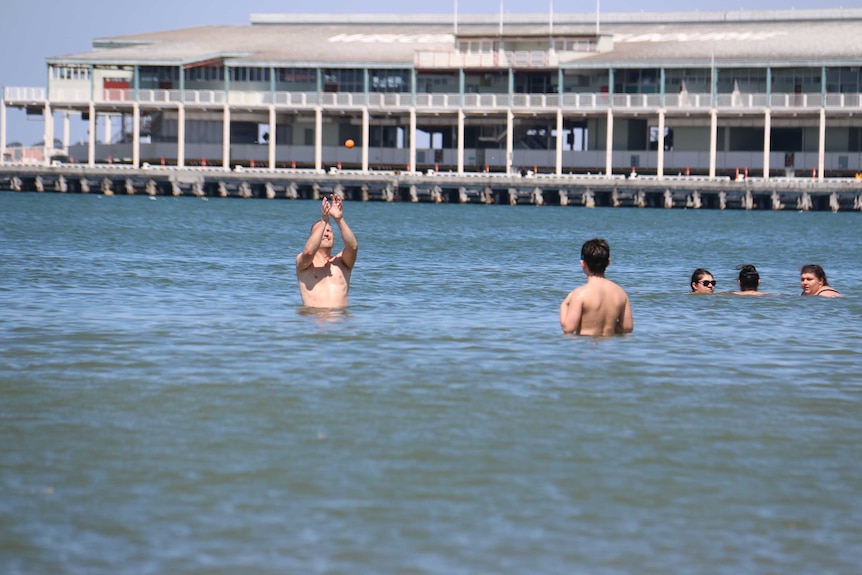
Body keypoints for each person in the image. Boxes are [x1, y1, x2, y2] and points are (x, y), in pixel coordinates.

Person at [560, 238, 634, 336]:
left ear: (583, 263)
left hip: (585, 348)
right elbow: (627, 327)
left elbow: (568, 328)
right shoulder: (620, 293)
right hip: (610, 349)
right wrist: (607, 324)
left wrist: (564, 304)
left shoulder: (580, 294)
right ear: (608, 262)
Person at [296, 194, 358, 308]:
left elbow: (352, 247)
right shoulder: (304, 263)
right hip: (314, 321)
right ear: (312, 237)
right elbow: (309, 251)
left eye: (329, 231)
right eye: (321, 231)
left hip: (340, 321)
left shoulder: (342, 262)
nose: (326, 234)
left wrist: (339, 219)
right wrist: (324, 221)